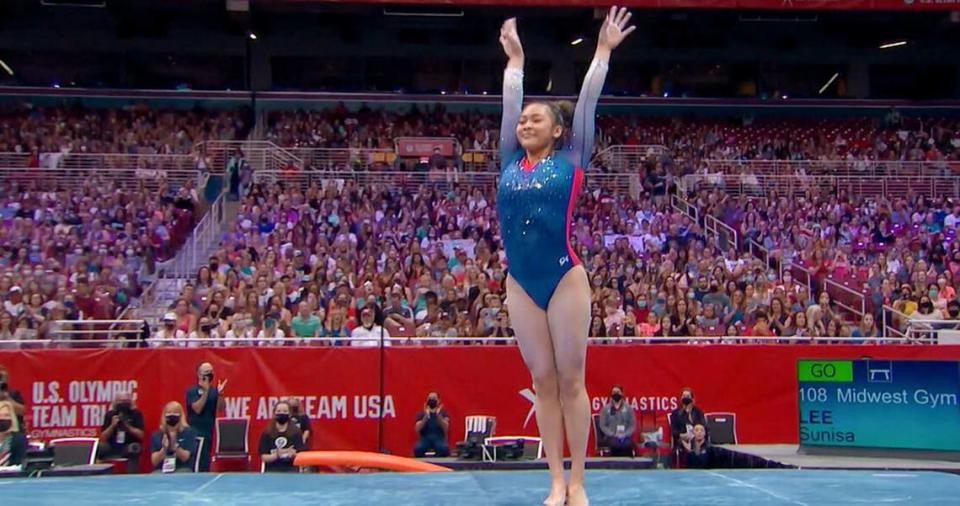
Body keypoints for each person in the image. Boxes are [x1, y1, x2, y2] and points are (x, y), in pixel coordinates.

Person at [496, 9, 634, 506]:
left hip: (564, 276)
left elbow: (588, 104)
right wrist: (516, 61)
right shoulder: (509, 161)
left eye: (538, 118)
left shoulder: (572, 158)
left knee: (572, 379)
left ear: (558, 131)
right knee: (542, 381)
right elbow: (510, 105)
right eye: (524, 118)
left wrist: (601, 52)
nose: (526, 121)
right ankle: (554, 480)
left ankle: (578, 479)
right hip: (520, 282)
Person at [186, 362, 226, 472]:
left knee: (205, 463)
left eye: (211, 371)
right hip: (196, 433)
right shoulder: (191, 391)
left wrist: (221, 394)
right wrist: (205, 391)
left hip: (209, 431)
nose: (209, 374)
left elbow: (221, 408)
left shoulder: (214, 391)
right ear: (199, 374)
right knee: (196, 463)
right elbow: (197, 409)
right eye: (206, 372)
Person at [98, 391, 146, 473]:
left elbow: (141, 435)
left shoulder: (136, 414)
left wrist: (127, 426)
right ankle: (101, 474)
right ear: (116, 402)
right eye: (121, 401)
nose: (123, 403)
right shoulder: (110, 414)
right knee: (99, 447)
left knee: (134, 448)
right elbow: (102, 437)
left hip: (127, 446)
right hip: (112, 446)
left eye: (126, 401)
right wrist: (112, 426)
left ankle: (131, 476)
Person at [149, 401, 198, 473]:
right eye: (169, 412)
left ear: (180, 416)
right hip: (162, 470)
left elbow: (185, 457)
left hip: (182, 468)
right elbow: (154, 461)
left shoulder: (188, 432)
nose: (172, 415)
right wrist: (164, 450)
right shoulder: (157, 434)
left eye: (175, 412)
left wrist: (175, 447)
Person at [259, 401, 305, 472]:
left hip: (291, 470)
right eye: (279, 411)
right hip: (272, 470)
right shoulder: (267, 433)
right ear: (274, 414)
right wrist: (276, 455)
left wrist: (293, 455)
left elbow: (301, 455)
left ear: (289, 414)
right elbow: (264, 457)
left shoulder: (296, 432)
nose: (282, 413)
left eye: (285, 411)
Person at [598, 385, 636, 457]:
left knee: (627, 445)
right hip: (611, 437)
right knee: (615, 445)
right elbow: (602, 425)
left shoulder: (628, 408)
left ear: (622, 394)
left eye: (618, 392)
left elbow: (632, 425)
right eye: (614, 392)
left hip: (625, 437)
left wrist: (625, 434)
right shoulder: (606, 409)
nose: (616, 394)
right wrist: (613, 434)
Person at [413, 392, 450, 458]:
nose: (431, 400)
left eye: (434, 398)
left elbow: (446, 428)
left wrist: (438, 415)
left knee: (444, 449)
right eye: (430, 398)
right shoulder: (421, 413)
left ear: (438, 401)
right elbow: (417, 429)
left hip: (439, 438)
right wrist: (426, 416)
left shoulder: (443, 413)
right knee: (417, 449)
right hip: (425, 439)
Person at [0, 400, 26, 467]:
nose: (3, 418)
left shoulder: (18, 439)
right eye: (0, 415)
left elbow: (20, 463)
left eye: (7, 415)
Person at [0, 364, 25, 430]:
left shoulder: (14, 393)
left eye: (2, 377)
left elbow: (21, 411)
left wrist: (7, 397)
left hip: (12, 432)